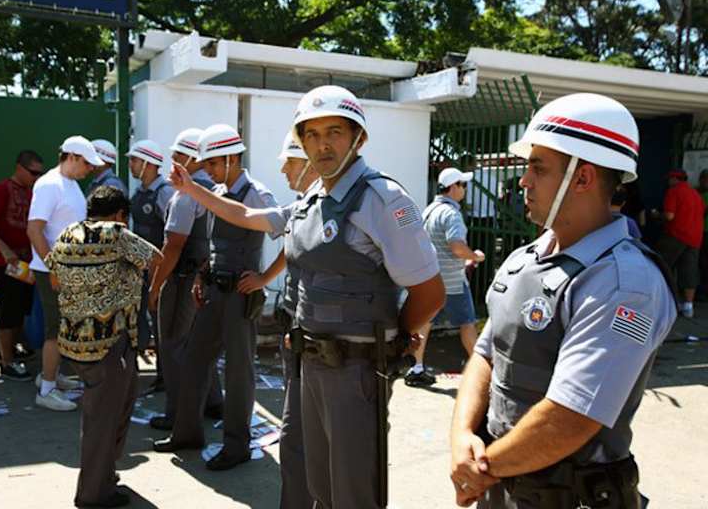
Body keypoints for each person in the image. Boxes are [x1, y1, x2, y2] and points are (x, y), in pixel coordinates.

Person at [167, 86, 445, 505]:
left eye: (334, 132)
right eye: (311, 134)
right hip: (307, 366)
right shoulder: (314, 199)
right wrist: (193, 189)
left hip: (357, 372)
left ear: (359, 138)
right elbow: (247, 215)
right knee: (316, 483)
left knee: (352, 491)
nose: (321, 144)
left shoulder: (383, 200)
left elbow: (429, 291)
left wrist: (399, 337)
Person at [449, 93, 677, 508]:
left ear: (583, 178)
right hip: (501, 482)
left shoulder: (625, 283)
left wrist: (479, 471)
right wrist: (462, 436)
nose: (523, 181)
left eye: (538, 168)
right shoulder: (524, 260)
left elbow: (571, 417)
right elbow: (486, 354)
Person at [154, 123, 279, 473]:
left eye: (211, 162)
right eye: (204, 162)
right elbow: (215, 244)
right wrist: (202, 275)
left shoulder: (257, 194)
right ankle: (186, 434)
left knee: (239, 373)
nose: (206, 169)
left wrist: (265, 278)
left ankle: (236, 446)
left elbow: (290, 233)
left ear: (232, 158)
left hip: (240, 295)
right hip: (213, 291)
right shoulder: (219, 191)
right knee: (194, 360)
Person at [46, 186, 162, 508]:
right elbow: (157, 258)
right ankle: (93, 495)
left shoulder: (68, 233)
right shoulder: (117, 234)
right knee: (102, 421)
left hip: (75, 341)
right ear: (120, 214)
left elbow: (54, 278)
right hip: (109, 343)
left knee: (115, 408)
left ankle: (105, 476)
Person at [232, 131, 319, 508]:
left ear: (309, 164)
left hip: (320, 341)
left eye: (290, 163)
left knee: (307, 435)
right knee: (294, 432)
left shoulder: (340, 208)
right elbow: (284, 239)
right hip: (295, 331)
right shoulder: (302, 207)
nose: (283, 170)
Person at [146, 128, 224, 431]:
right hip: (208, 277)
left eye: (177, 155)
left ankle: (179, 414)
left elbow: (173, 246)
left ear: (193, 157)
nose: (173, 161)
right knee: (200, 344)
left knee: (173, 346)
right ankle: (213, 402)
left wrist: (155, 287)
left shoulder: (185, 196)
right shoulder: (217, 190)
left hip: (183, 279)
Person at [27, 136, 102, 411]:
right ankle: (47, 389)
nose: (90, 169)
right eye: (87, 163)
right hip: (55, 270)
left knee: (61, 328)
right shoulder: (50, 184)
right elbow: (34, 230)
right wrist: (54, 268)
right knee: (56, 330)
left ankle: (51, 376)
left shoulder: (67, 183)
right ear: (71, 157)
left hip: (65, 269)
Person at [407, 167, 484, 388]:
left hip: (431, 279)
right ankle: (481, 374)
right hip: (452, 282)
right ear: (453, 187)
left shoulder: (429, 211)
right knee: (467, 323)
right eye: (463, 185)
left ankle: (416, 368)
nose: (465, 189)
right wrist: (474, 256)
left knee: (425, 323)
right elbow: (456, 246)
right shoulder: (451, 214)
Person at [0, 150, 44, 381]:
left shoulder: (31, 192)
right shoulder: (1, 190)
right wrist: (3, 249)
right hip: (9, 263)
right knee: (8, 311)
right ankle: (6, 361)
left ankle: (12, 350)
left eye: (39, 173)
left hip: (26, 263)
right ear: (19, 168)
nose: (36, 177)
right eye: (33, 172)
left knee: (21, 309)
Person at [127, 140, 174, 393]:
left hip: (158, 271)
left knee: (161, 322)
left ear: (148, 163)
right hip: (139, 270)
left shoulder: (164, 193)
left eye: (134, 160)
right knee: (140, 321)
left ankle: (166, 377)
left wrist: (160, 271)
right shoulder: (139, 193)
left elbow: (172, 236)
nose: (130, 165)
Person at [656, 170, 704, 318]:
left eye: (669, 179)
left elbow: (669, 215)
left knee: (662, 267)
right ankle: (688, 307)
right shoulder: (695, 194)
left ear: (674, 179)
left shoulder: (674, 191)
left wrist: (657, 215)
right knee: (689, 270)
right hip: (695, 237)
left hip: (675, 235)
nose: (667, 182)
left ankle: (662, 303)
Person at [698, 170, 708, 298]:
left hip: (704, 232)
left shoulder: (703, 195)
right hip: (702, 231)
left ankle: (702, 292)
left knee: (703, 263)